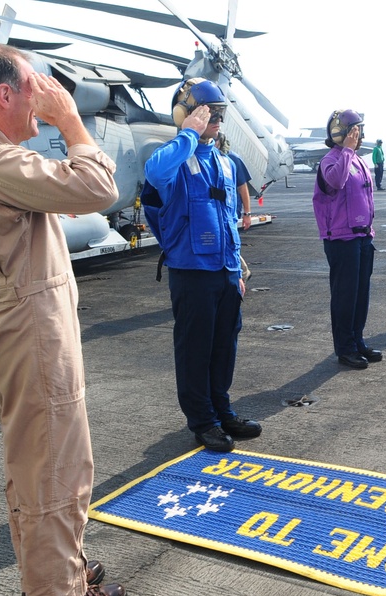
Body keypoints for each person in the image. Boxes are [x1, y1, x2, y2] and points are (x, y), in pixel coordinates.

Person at [0, 43, 127, 596]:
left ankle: (56, 572)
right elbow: (97, 190)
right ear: (5, 95)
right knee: (56, 465)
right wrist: (69, 120)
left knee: (37, 459)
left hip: (14, 323)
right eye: (33, 88)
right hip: (31, 333)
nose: (43, 96)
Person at [144, 78, 262, 453]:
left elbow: (227, 218)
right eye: (206, 111)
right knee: (195, 349)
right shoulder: (175, 157)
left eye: (219, 113)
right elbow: (155, 173)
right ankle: (202, 421)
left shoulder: (225, 163)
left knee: (223, 348)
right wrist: (188, 135)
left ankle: (222, 410)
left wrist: (237, 271)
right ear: (187, 113)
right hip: (191, 272)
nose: (215, 119)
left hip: (224, 273)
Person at [313, 109, 382, 369]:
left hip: (362, 237)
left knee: (360, 294)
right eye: (355, 131)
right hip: (342, 239)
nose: (359, 136)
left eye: (360, 131)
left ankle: (357, 340)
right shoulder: (331, 160)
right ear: (340, 133)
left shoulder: (357, 160)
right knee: (345, 296)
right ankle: (345, 348)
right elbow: (336, 181)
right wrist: (347, 150)